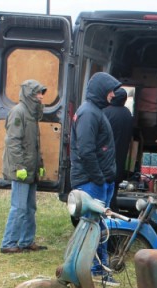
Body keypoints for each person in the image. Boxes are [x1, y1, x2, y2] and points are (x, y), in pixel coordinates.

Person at [70, 71, 122, 277]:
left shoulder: (95, 111)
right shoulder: (89, 113)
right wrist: (99, 178)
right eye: (110, 91)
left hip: (99, 181)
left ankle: (97, 269)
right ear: (101, 91)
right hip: (91, 182)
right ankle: (97, 270)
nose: (112, 95)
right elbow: (86, 150)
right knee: (94, 228)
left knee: (100, 227)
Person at [0, 79, 48, 254]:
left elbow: (34, 144)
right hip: (21, 169)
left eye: (42, 93)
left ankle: (27, 241)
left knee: (30, 207)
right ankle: (8, 243)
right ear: (29, 94)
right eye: (38, 93)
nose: (41, 96)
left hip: (31, 167)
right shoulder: (18, 112)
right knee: (19, 207)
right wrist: (19, 166)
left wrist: (40, 164)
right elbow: (13, 142)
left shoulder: (32, 114)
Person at [103, 87, 133, 209]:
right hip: (121, 154)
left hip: (105, 156)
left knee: (104, 190)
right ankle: (113, 211)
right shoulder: (127, 113)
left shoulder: (105, 112)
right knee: (114, 189)